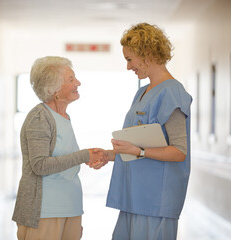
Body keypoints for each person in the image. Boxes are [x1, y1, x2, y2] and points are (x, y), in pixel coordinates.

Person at [12, 56, 114, 240]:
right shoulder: (40, 117)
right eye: (71, 79)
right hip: (44, 211)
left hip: (70, 207)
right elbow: (40, 165)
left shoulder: (64, 117)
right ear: (54, 90)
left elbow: (66, 162)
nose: (78, 83)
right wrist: (84, 155)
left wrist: (90, 157)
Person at [106, 23, 192, 240]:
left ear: (147, 53)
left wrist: (139, 151)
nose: (128, 67)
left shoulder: (172, 92)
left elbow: (179, 151)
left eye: (129, 59)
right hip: (133, 198)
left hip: (155, 203)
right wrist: (108, 155)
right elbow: (136, 143)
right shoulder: (143, 92)